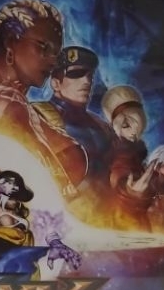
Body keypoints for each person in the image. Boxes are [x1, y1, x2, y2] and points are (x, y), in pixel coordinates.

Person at [0, 0, 88, 198]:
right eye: (43, 47)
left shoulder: (24, 111)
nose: (53, 61)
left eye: (56, 54)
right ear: (10, 42)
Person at [33, 45, 115, 214]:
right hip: (57, 215)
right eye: (76, 74)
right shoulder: (36, 117)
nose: (86, 81)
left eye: (90, 75)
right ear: (56, 83)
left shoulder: (102, 126)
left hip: (106, 216)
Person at [101, 84, 151, 231]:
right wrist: (129, 192)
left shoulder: (135, 150)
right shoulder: (121, 151)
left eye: (137, 124)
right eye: (125, 125)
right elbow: (119, 174)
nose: (133, 131)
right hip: (123, 221)